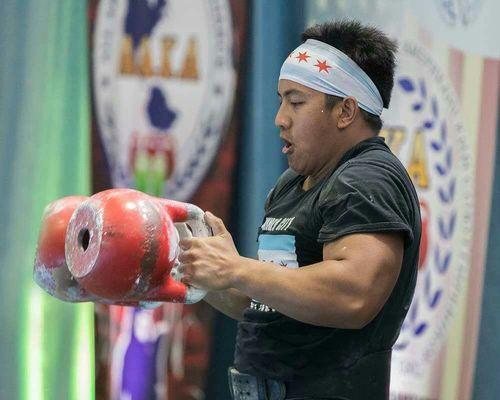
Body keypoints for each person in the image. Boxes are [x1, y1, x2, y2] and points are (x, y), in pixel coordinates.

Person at [177, 20, 421, 400]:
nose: (280, 118)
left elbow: (352, 295)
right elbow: (265, 303)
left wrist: (237, 268)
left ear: (345, 111)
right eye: (280, 100)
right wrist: (198, 270)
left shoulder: (367, 179)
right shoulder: (293, 184)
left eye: (296, 102)